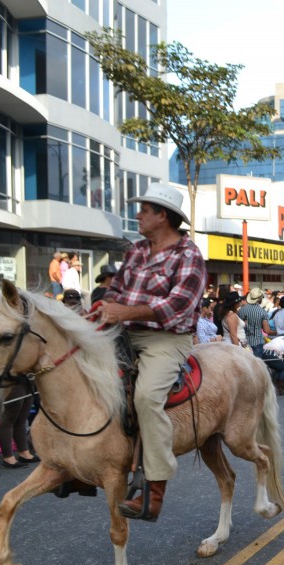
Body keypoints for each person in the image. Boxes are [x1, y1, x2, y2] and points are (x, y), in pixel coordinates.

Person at [91, 183, 206, 522]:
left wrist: (125, 312)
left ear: (163, 216)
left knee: (146, 397)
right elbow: (117, 289)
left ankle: (154, 490)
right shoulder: (137, 250)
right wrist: (106, 306)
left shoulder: (189, 255)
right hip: (124, 333)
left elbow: (178, 305)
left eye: (144, 210)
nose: (138, 214)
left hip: (167, 339)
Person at [240, 287, 273, 357]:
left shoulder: (241, 311)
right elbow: (266, 330)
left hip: (244, 343)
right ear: (260, 299)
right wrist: (277, 332)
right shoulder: (262, 312)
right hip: (257, 343)